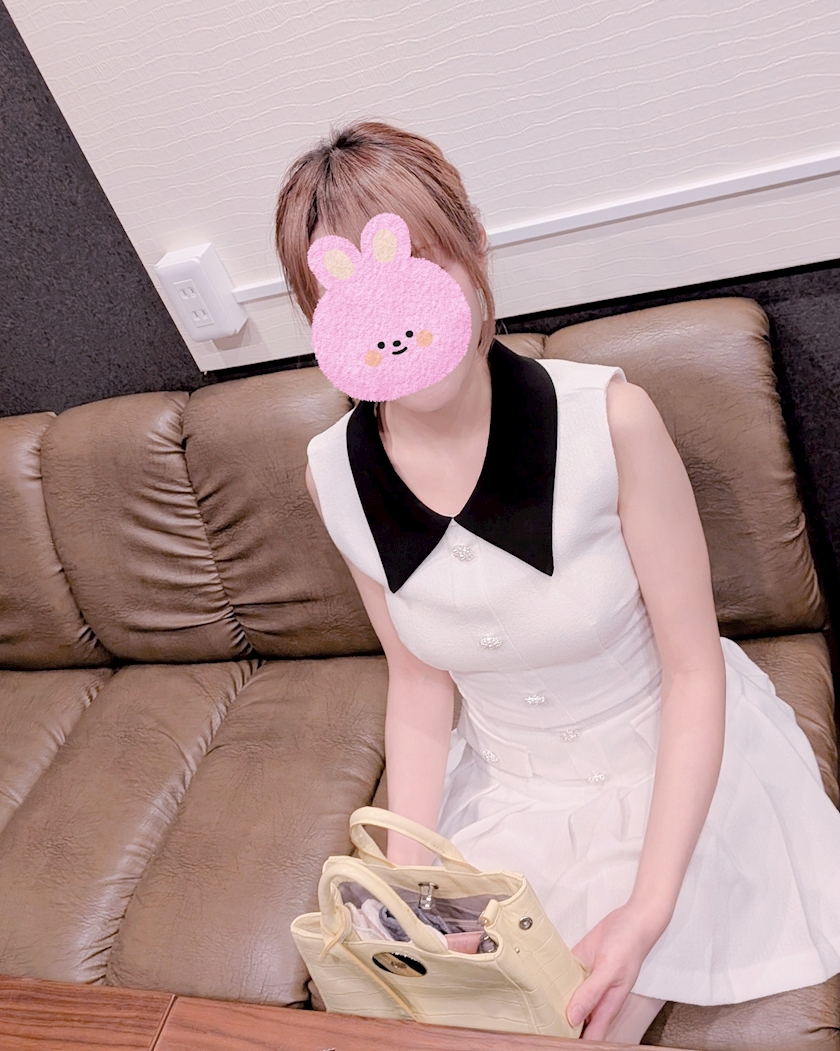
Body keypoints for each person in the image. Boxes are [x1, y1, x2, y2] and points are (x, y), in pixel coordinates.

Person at [274, 120, 840, 1043]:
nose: (393, 317)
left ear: (475, 248)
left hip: (669, 767)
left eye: (418, 267)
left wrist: (649, 906)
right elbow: (419, 686)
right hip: (506, 789)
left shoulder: (611, 418)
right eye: (353, 294)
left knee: (575, 1020)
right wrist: (413, 887)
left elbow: (694, 669)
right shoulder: (331, 473)